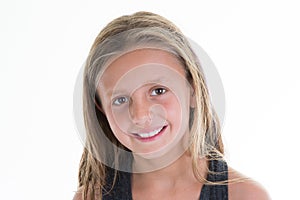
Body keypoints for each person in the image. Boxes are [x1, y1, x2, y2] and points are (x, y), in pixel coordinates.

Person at [73, 11, 270, 200]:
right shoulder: (90, 198)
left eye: (158, 91)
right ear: (101, 109)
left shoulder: (246, 196)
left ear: (193, 90)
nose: (141, 115)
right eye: (120, 100)